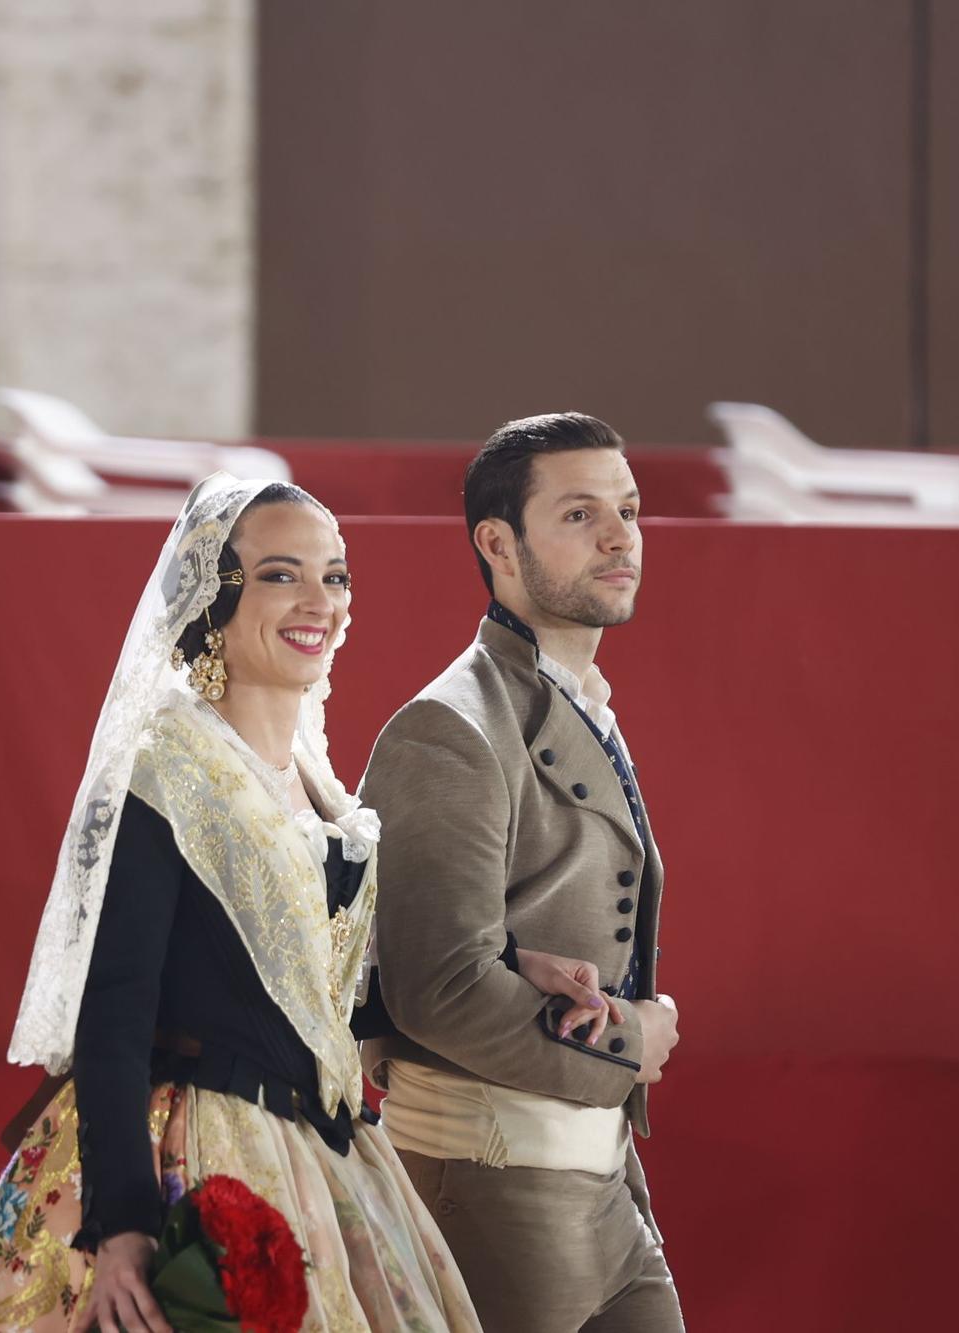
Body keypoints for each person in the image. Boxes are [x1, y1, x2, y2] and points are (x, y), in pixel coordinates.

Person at [0, 477, 608, 1332]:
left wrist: (512, 964)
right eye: (282, 575)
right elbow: (113, 1020)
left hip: (333, 1156)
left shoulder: (321, 787)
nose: (318, 601)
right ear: (217, 596)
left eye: (336, 575)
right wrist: (126, 1228)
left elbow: (319, 990)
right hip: (204, 1153)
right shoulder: (169, 768)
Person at [360, 413, 685, 1331]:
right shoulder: (448, 727)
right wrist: (631, 1042)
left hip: (602, 1175)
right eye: (581, 515)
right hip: (492, 1177)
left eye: (627, 509)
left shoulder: (575, 700)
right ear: (497, 544)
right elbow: (440, 988)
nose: (622, 536)